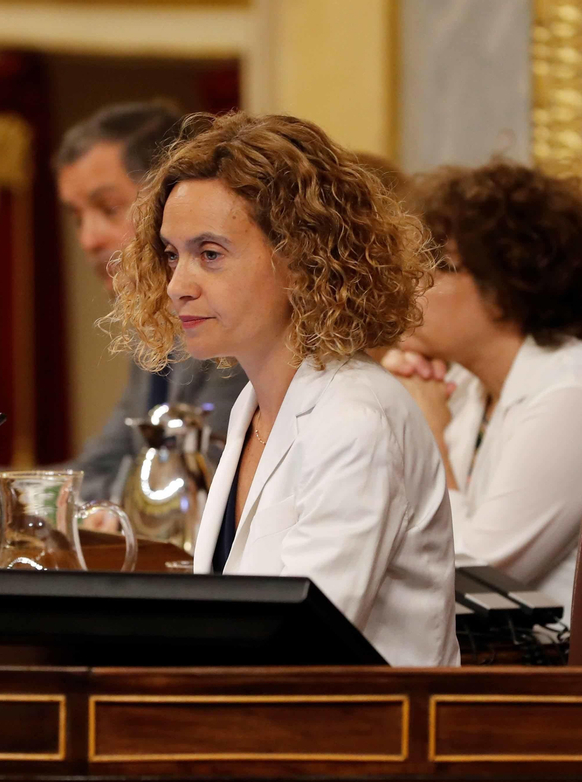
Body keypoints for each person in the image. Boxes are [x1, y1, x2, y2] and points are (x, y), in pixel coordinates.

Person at [109, 112, 459, 667]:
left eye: (211, 255)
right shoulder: (256, 404)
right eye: (172, 255)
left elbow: (291, 648)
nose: (177, 285)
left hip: (361, 742)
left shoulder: (356, 420)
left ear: (300, 260)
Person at [0, 101, 247, 504]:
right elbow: (103, 466)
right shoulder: (154, 326)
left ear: (169, 199)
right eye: (78, 218)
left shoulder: (225, 325)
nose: (88, 240)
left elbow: (188, 491)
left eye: (108, 209)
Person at [382, 161, 582, 614]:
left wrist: (429, 435)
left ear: (507, 285)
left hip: (556, 666)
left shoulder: (571, 395)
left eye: (441, 266)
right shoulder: (468, 380)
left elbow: (474, 576)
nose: (412, 282)